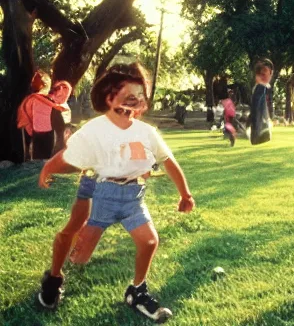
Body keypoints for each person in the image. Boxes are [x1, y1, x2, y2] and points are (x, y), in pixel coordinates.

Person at [36, 63, 195, 322]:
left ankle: (137, 291)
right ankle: (54, 277)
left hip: (133, 197)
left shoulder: (146, 132)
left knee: (149, 241)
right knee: (78, 251)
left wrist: (185, 194)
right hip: (99, 189)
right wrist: (48, 168)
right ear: (109, 98)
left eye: (140, 96)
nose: (136, 102)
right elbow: (70, 158)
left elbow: (167, 160)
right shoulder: (94, 129)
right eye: (128, 96)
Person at [249, 59, 274, 145]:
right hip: (260, 124)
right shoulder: (260, 88)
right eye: (262, 74)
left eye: (268, 74)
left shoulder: (263, 88)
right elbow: (256, 108)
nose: (266, 77)